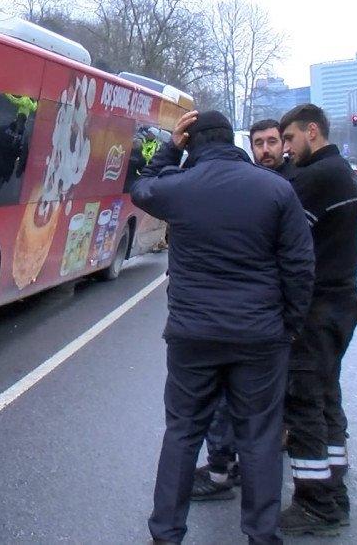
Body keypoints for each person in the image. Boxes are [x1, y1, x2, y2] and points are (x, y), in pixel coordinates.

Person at [132, 110, 315, 544]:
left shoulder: (179, 187)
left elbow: (141, 187)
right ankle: (261, 535)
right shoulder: (276, 189)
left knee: (182, 433)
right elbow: (299, 266)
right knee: (259, 439)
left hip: (192, 335)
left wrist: (171, 149)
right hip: (260, 336)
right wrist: (288, 323)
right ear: (232, 140)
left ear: (192, 142)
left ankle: (166, 534)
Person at [189, 117, 295, 502]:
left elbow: (302, 261)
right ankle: (226, 466)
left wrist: (293, 316)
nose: (265, 150)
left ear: (284, 144)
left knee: (257, 402)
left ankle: (232, 474)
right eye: (259, 143)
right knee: (231, 398)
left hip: (272, 316)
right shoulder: (255, 183)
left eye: (272, 142)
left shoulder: (291, 185)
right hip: (260, 315)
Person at [277, 104, 357, 536]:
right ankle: (334, 493)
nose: (286, 149)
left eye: (290, 138)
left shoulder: (314, 179)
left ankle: (315, 505)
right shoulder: (343, 171)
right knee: (327, 397)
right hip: (342, 302)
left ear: (312, 131)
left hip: (315, 308)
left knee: (304, 403)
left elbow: (287, 244)